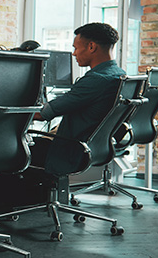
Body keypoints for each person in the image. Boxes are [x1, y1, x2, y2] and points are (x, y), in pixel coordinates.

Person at [34, 22, 126, 175]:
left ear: (91, 47)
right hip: (96, 146)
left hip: (70, 150)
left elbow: (43, 115)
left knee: (13, 151)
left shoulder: (96, 80)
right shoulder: (119, 74)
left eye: (76, 48)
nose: (74, 54)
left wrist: (10, 111)